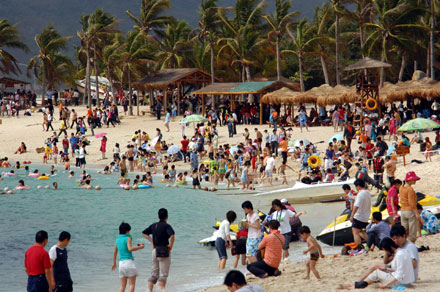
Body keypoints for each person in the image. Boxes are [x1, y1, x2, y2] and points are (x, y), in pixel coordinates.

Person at [342, 238, 415, 289]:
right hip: (406, 280)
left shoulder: (399, 255)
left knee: (376, 273)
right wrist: (386, 268)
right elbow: (397, 268)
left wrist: (385, 285)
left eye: (385, 250)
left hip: (402, 282)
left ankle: (357, 285)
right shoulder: (402, 251)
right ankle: (358, 284)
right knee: (376, 269)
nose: (385, 252)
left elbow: (399, 274)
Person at [142, 208, 175, 292]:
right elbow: (172, 236)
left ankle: (149, 290)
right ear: (167, 217)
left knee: (154, 274)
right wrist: (171, 245)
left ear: (158, 216)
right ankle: (161, 290)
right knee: (163, 275)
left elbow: (144, 233)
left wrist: (152, 241)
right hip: (164, 251)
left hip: (155, 251)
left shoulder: (154, 225)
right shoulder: (167, 226)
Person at [112, 222, 144, 292]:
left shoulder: (117, 240)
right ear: (127, 231)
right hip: (129, 263)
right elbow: (130, 248)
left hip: (121, 264)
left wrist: (114, 263)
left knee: (122, 286)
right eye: (129, 231)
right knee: (131, 285)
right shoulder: (128, 238)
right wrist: (140, 247)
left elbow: (115, 252)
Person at [400, 171, 421, 242]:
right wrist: (417, 214)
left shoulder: (401, 187)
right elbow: (412, 204)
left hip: (403, 211)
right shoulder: (410, 189)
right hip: (410, 211)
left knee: (404, 232)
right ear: (410, 180)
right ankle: (410, 247)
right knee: (412, 233)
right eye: (414, 179)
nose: (415, 181)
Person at [350, 179, 371, 249]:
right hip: (366, 216)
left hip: (359, 216)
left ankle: (358, 248)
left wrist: (352, 215)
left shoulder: (360, 194)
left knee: (355, 232)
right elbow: (357, 198)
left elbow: (356, 206)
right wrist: (349, 197)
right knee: (360, 231)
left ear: (358, 186)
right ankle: (371, 242)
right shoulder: (367, 193)